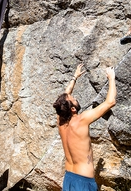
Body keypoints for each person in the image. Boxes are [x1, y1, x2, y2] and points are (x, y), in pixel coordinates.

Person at [53, 63, 117, 191]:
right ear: (72, 109)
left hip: (68, 179)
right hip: (83, 182)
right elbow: (110, 102)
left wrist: (74, 77)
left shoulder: (61, 121)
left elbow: (64, 97)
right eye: (73, 98)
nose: (75, 97)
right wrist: (111, 78)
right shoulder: (82, 119)